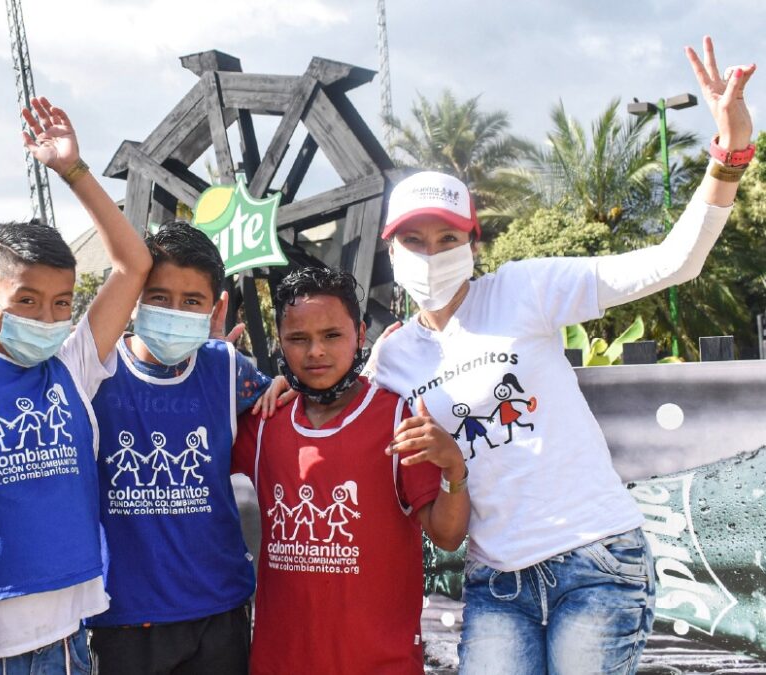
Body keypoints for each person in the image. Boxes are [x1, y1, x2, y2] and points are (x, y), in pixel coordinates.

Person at [373, 37, 756, 675]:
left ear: (474, 242)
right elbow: (330, 402)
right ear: (391, 252)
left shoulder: (523, 290)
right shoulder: (391, 358)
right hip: (496, 583)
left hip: (596, 563)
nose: (431, 253)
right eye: (413, 239)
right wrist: (268, 392)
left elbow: (673, 263)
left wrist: (729, 156)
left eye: (447, 237)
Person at [0, 97, 151, 674]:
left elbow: (133, 264)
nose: (48, 319)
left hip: (64, 639)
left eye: (62, 304)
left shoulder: (74, 363)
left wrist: (73, 170)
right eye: (26, 301)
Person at [231, 267, 470, 675]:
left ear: (360, 335)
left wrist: (453, 469)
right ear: (281, 344)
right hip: (279, 664)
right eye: (298, 339)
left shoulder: (397, 416)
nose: (315, 352)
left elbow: (447, 536)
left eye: (331, 335)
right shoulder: (264, 421)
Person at [87, 221, 273, 675]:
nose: (175, 310)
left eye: (191, 301)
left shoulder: (229, 369)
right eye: (159, 297)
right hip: (126, 618)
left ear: (217, 307)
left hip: (220, 611)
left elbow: (288, 406)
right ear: (133, 300)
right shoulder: (94, 370)